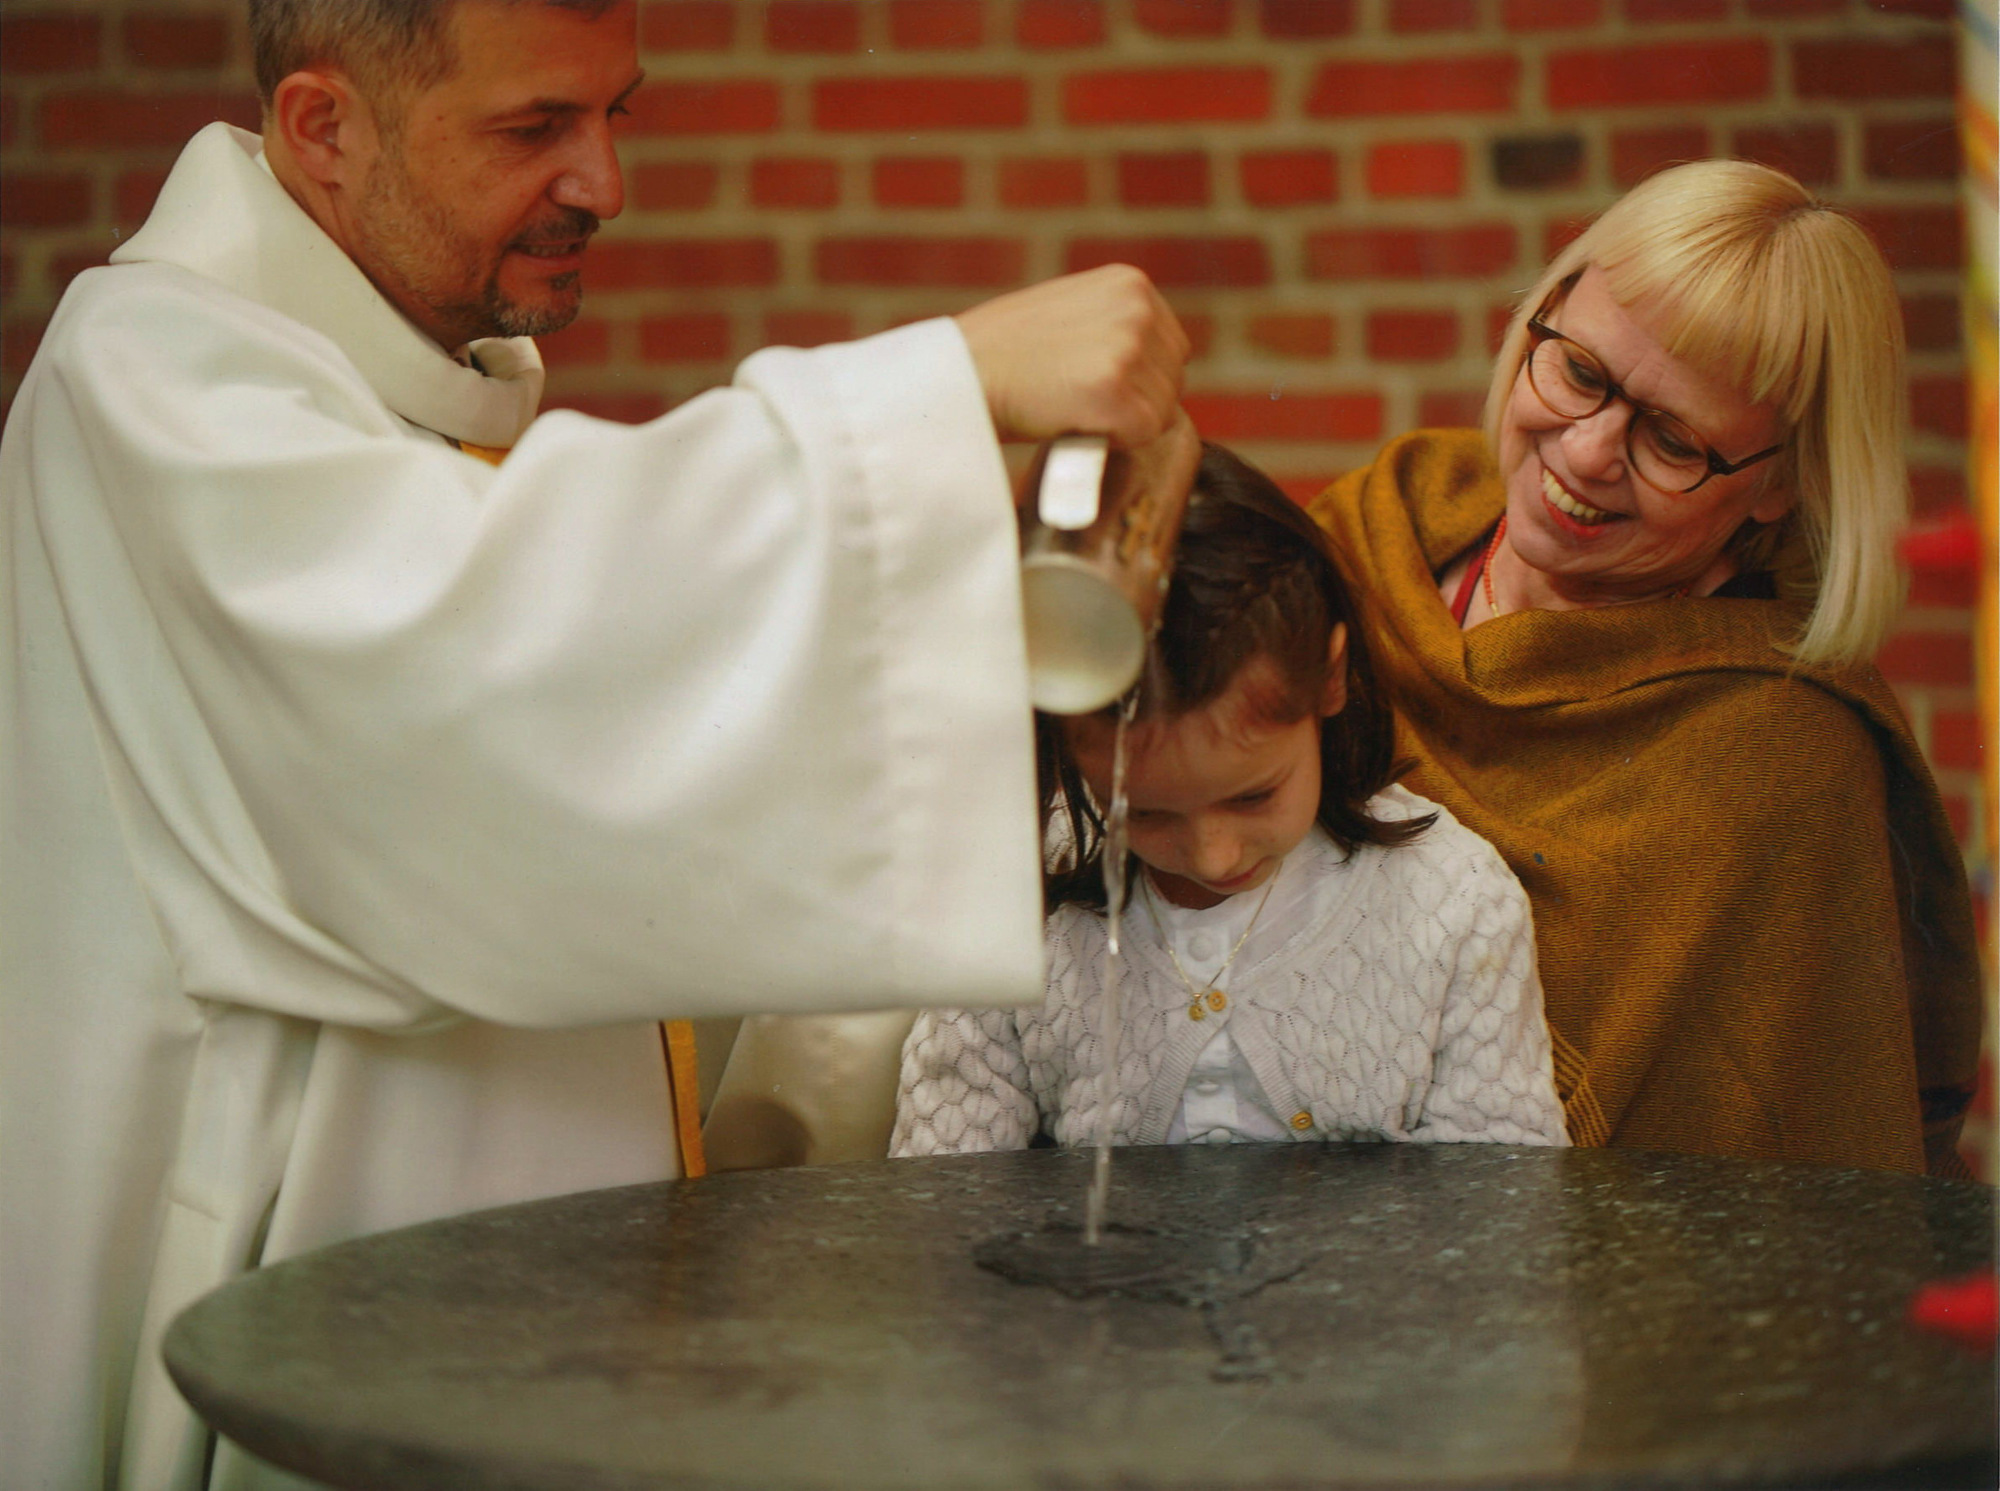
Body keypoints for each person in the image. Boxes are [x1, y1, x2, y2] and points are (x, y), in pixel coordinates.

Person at [0, 2, 1193, 1487]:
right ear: (323, 130)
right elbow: (473, 670)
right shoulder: (149, 377)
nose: (605, 182)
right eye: (532, 129)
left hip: (513, 1313)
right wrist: (938, 394)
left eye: (617, 112)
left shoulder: (376, 390)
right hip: (306, 1284)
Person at [1305, 160, 1983, 1177]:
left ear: (1777, 487)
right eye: (1578, 373)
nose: (1582, 455)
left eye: (1670, 439)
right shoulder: (1367, 533)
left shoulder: (1781, 763)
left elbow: (1766, 1196)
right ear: (1539, 316)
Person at [892, 445, 1568, 1155]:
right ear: (1063, 742)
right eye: (1144, 812)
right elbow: (945, 1193)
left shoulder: (1456, 904)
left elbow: (1501, 1210)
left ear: (1330, 679)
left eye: (1253, 796)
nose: (1213, 853)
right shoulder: (1013, 894)